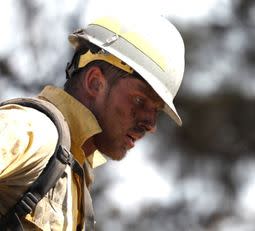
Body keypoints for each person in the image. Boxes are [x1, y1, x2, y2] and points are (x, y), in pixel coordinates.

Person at [0, 14, 185, 230]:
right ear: (95, 83)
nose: (151, 124)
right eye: (139, 100)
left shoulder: (72, 170)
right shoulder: (34, 130)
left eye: (156, 110)